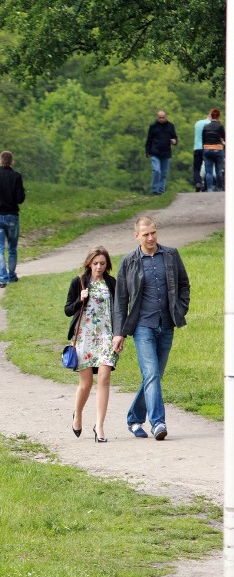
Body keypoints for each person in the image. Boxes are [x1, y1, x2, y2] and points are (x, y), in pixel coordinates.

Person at [112, 215, 190, 441]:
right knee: (152, 374)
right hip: (142, 327)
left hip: (166, 325)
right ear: (136, 236)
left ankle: (134, 419)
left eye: (153, 232)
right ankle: (158, 423)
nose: (151, 237)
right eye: (145, 234)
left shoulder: (171, 255)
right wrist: (119, 333)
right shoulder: (128, 262)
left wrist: (180, 309)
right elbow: (121, 300)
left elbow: (184, 285)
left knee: (154, 376)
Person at [64, 247, 117, 443]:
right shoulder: (78, 282)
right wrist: (81, 299)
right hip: (84, 336)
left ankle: (100, 426)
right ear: (89, 264)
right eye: (95, 263)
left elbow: (119, 310)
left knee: (104, 379)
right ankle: (77, 414)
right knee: (85, 384)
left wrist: (119, 336)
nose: (99, 267)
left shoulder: (112, 283)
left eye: (103, 263)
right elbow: (68, 310)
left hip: (106, 336)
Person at [0, 150, 26, 288]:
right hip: (12, 215)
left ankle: (2, 278)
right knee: (12, 248)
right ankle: (12, 275)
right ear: (12, 162)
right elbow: (20, 199)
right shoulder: (16, 177)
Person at [145, 110, 178, 195]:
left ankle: (161, 191)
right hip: (155, 152)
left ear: (166, 117)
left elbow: (175, 138)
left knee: (163, 173)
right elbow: (149, 139)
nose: (161, 119)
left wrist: (174, 141)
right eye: (159, 118)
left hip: (166, 153)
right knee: (156, 170)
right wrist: (147, 151)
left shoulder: (170, 126)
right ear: (157, 117)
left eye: (163, 117)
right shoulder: (153, 126)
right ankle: (155, 189)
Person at [202, 108, 225, 192]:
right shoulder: (220, 126)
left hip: (207, 149)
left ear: (211, 116)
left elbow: (203, 139)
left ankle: (210, 189)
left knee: (208, 172)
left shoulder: (206, 127)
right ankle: (220, 188)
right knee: (218, 171)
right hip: (218, 150)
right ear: (218, 116)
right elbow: (224, 137)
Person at [193, 112, 210, 192]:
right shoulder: (211, 124)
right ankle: (206, 186)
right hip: (207, 148)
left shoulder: (198, 123)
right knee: (208, 168)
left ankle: (198, 183)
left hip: (197, 148)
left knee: (196, 168)